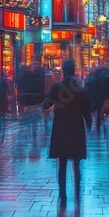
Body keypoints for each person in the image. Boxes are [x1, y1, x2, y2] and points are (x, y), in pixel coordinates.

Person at [45, 60, 91, 204]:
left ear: (63, 71)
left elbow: (46, 105)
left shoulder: (58, 87)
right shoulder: (80, 90)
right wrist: (89, 124)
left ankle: (62, 195)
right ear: (74, 71)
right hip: (76, 130)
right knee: (77, 164)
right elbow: (86, 112)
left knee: (62, 163)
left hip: (61, 130)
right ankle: (77, 194)